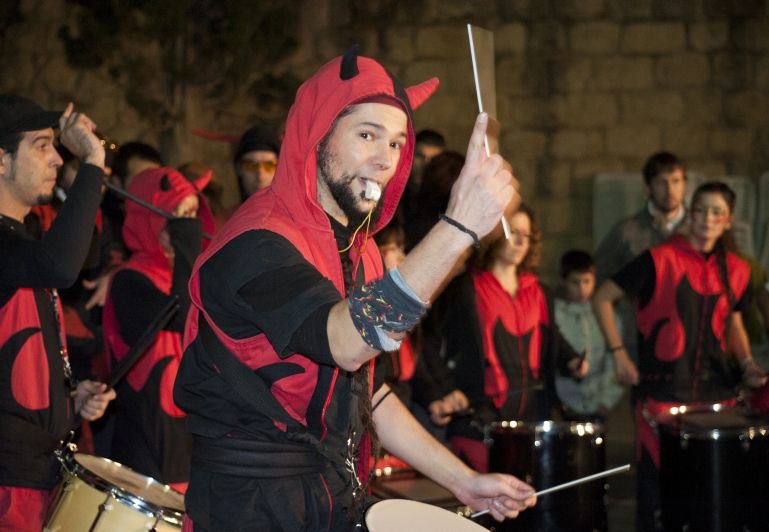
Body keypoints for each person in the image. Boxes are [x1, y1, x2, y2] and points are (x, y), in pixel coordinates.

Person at [174, 50, 536, 531]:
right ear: (316, 133)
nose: (385, 160)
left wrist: (463, 481)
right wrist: (460, 226)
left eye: (396, 143)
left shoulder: (358, 251)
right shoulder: (257, 242)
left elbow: (369, 391)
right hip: (250, 504)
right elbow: (346, 342)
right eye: (367, 134)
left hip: (329, 495)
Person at [593, 181, 767, 532]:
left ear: (728, 220)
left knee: (708, 494)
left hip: (717, 395)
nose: (707, 218)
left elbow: (733, 321)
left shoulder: (738, 269)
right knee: (657, 494)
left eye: (716, 212)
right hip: (662, 393)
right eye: (700, 209)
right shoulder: (658, 258)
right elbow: (602, 298)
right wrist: (618, 354)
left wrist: (747, 362)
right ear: (690, 214)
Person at [0, 94, 116, 531]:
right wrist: (92, 162)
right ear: (1, 162)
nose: (55, 157)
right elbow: (62, 265)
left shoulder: (22, 244)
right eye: (41, 145)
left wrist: (68, 396)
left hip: (35, 476)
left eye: (55, 145)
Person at [437, 205, 587, 472]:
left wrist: (572, 360)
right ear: (495, 234)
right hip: (481, 419)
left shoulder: (539, 291)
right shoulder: (468, 288)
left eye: (526, 235)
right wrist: (444, 389)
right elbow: (434, 342)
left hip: (532, 419)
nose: (520, 241)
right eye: (513, 231)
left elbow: (550, 336)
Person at [104, 167, 213, 491]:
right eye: (182, 216)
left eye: (195, 214)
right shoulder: (129, 280)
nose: (190, 227)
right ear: (153, 217)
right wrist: (187, 248)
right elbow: (181, 313)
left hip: (194, 453)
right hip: (148, 458)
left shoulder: (194, 280)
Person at [594, 152, 690, 364]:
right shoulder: (627, 231)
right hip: (640, 338)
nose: (670, 190)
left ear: (685, 184)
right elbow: (599, 277)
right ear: (648, 187)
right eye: (661, 182)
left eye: (676, 181)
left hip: (690, 338)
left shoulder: (699, 231)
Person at [554, 250, 623, 423]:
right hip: (563, 402)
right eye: (574, 282)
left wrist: (607, 400)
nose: (582, 289)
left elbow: (614, 360)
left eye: (587, 281)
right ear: (562, 281)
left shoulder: (607, 316)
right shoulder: (554, 314)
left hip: (598, 403)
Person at [233, 124, 281, 202]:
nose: (260, 176)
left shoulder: (298, 213)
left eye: (269, 165)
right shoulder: (228, 214)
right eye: (251, 166)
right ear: (238, 168)